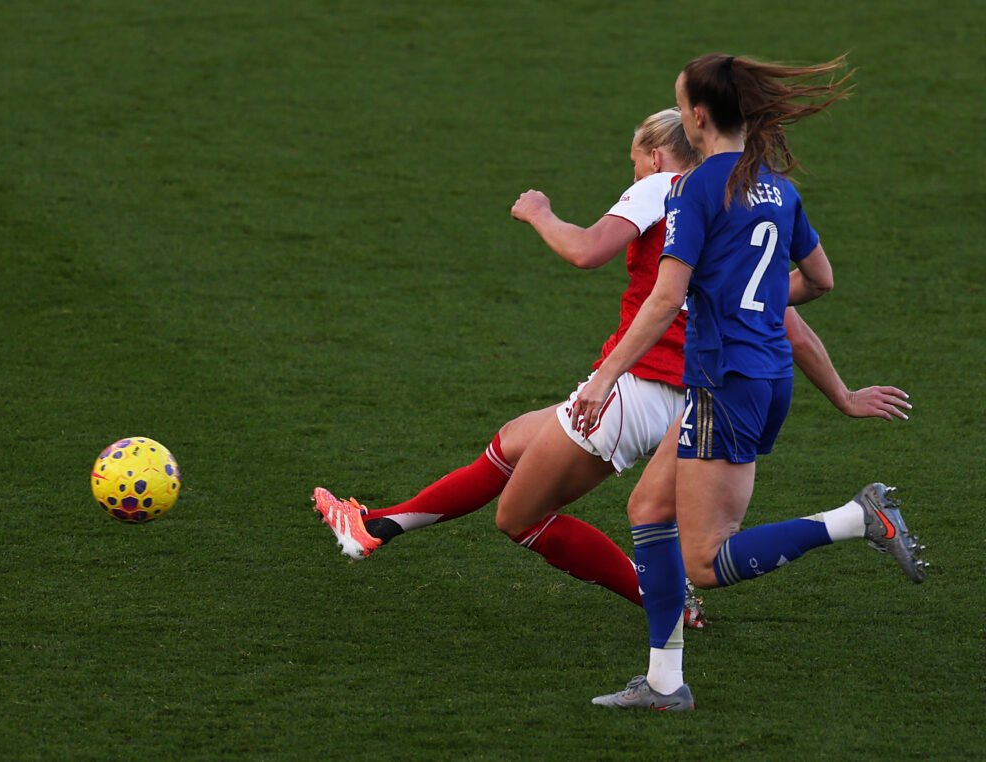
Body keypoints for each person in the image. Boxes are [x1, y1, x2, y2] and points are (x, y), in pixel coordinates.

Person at [312, 108, 911, 627]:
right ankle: (376, 527)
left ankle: (662, 602)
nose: (633, 175)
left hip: (636, 390)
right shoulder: (736, 204)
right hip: (700, 400)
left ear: (654, 156)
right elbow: (787, 317)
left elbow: (587, 250)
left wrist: (540, 213)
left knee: (518, 517)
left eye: (632, 163)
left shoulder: (665, 188)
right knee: (515, 439)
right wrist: (844, 395)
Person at [576, 54, 927, 712]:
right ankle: (663, 683)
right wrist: (752, 299)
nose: (680, 115)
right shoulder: (778, 188)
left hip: (725, 383)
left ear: (699, 118)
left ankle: (858, 519)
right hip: (764, 376)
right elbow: (820, 280)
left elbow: (664, 298)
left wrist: (603, 379)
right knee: (647, 510)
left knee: (706, 560)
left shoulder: (695, 190)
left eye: (681, 106)